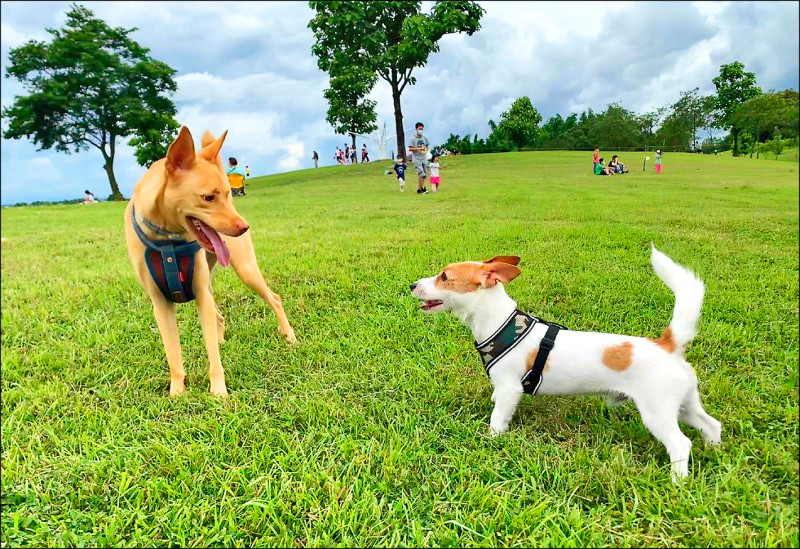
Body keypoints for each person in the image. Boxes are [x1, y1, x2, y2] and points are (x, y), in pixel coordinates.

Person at [408, 121, 429, 194]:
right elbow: (410, 149)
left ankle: (419, 189)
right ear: (416, 129)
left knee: (424, 175)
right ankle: (423, 188)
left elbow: (426, 146)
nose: (421, 130)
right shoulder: (412, 139)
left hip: (424, 158)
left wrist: (425, 150)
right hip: (416, 159)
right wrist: (419, 149)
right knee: (421, 173)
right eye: (420, 129)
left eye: (422, 129)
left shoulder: (425, 138)